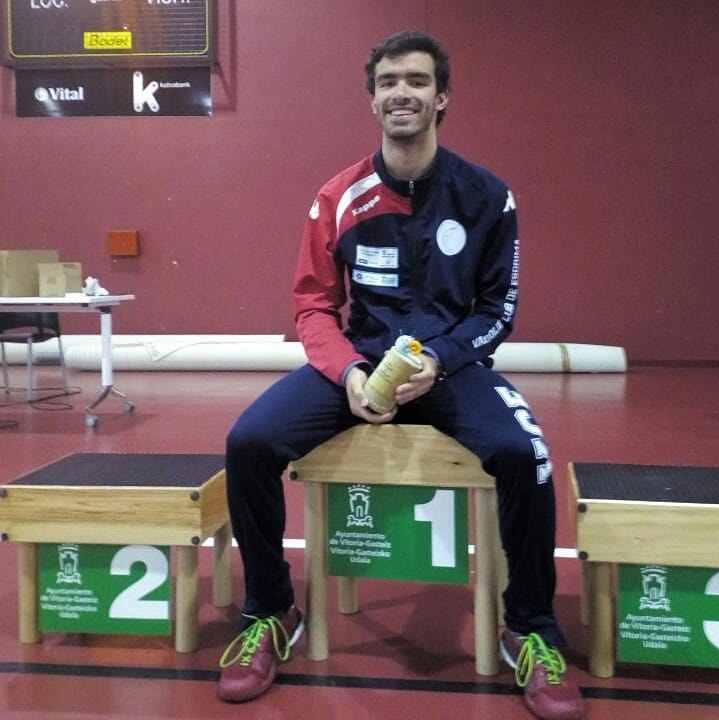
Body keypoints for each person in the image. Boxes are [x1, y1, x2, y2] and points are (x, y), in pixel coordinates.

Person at [218, 30, 584, 720]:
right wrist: (351, 372)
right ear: (373, 100)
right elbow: (313, 306)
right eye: (388, 82)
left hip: (452, 368)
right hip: (362, 365)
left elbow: (497, 310)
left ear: (442, 98)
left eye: (417, 81)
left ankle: (531, 627)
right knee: (249, 442)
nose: (401, 93)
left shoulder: (487, 197)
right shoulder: (338, 197)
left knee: (527, 455)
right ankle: (270, 610)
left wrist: (442, 359)